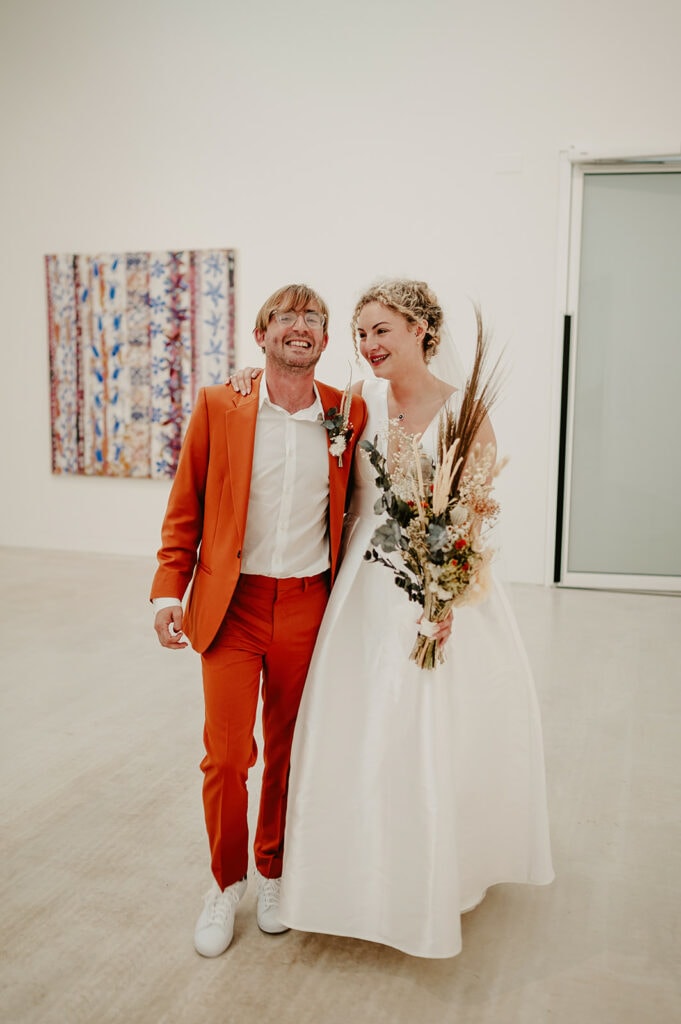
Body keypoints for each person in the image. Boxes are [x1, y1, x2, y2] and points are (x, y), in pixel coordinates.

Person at [228, 279, 554, 958]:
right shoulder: (355, 403)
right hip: (360, 584)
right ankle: (344, 868)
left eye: (381, 330)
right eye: (360, 334)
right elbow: (288, 408)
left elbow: (474, 514)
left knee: (428, 725)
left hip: (437, 596)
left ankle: (429, 869)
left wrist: (448, 597)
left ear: (421, 330)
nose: (368, 346)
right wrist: (246, 377)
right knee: (350, 720)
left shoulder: (464, 410)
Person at [150, 283, 367, 958]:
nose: (299, 326)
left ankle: (272, 873)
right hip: (232, 607)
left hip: (309, 605)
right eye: (285, 317)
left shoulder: (346, 412)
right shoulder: (221, 405)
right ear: (261, 334)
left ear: (326, 342)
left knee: (286, 754)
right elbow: (185, 504)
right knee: (225, 758)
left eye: (312, 320)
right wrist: (166, 591)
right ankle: (224, 883)